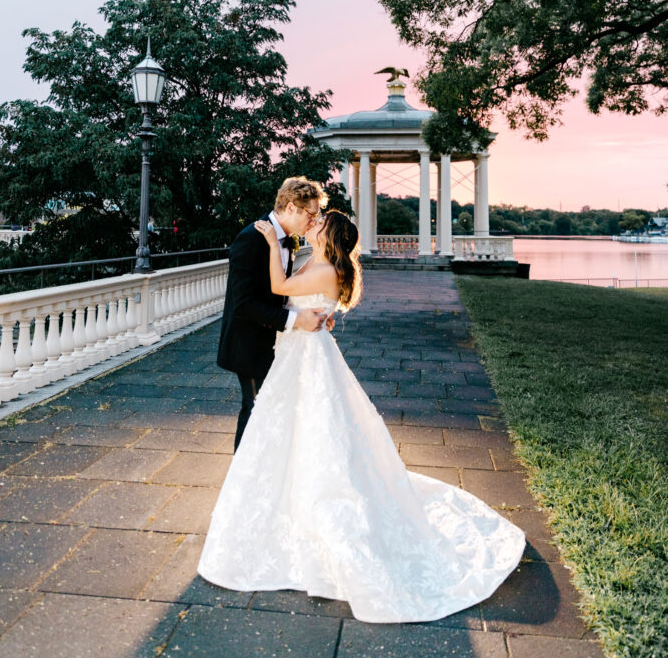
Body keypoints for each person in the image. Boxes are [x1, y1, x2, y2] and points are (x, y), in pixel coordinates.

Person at [198, 209, 526, 623]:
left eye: (320, 222)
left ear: (330, 236)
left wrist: (267, 242)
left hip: (306, 357)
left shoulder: (322, 270)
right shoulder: (320, 264)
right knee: (293, 425)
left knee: (310, 426)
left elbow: (280, 287)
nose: (313, 222)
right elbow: (292, 297)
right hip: (299, 352)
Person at [217, 176, 332, 451]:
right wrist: (296, 320)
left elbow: (280, 293)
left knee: (270, 410)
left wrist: (312, 313)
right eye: (311, 213)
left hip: (274, 343)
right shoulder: (250, 239)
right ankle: (242, 479)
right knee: (256, 409)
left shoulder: (285, 240)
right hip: (249, 344)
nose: (314, 220)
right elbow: (242, 304)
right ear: (291, 207)